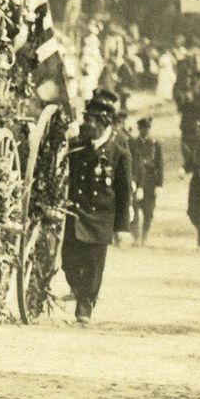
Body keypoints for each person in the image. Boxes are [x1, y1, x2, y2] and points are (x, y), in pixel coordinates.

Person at [59, 92, 133, 323]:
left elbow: (124, 194)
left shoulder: (119, 154)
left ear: (103, 123)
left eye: (90, 120)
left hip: (100, 218)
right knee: (68, 261)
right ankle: (79, 290)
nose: (85, 124)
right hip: (76, 214)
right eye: (85, 119)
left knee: (93, 266)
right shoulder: (78, 148)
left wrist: (122, 227)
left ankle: (85, 305)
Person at [129, 116, 164, 246]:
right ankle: (136, 237)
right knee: (134, 209)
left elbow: (160, 164)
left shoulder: (155, 144)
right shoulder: (133, 143)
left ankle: (145, 235)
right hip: (136, 179)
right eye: (143, 128)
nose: (145, 130)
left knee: (149, 211)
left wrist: (159, 184)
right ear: (139, 129)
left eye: (147, 128)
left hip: (150, 181)